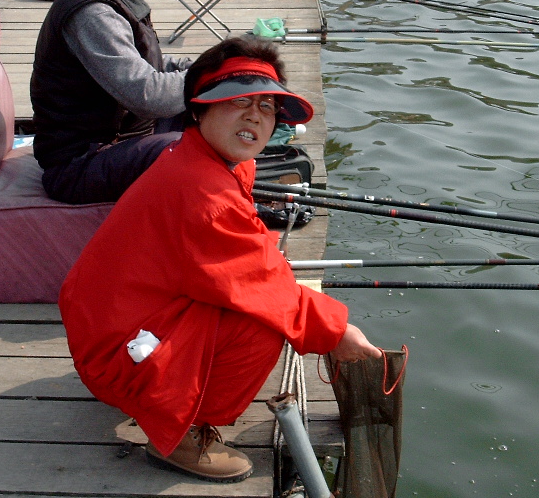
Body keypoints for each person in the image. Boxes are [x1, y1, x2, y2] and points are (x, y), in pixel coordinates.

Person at [59, 36, 381, 483]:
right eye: (238, 101)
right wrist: (337, 332)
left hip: (107, 329)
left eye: (267, 107)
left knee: (272, 299)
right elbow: (264, 289)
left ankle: (150, 388)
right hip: (112, 356)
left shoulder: (205, 159)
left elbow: (250, 263)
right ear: (199, 110)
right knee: (265, 325)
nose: (255, 116)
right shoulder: (203, 194)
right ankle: (181, 435)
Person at [30, 0, 190, 205]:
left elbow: (151, 65)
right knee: (181, 151)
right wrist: (205, 78)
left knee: (220, 116)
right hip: (78, 164)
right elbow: (146, 94)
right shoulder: (94, 12)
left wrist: (218, 68)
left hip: (120, 140)